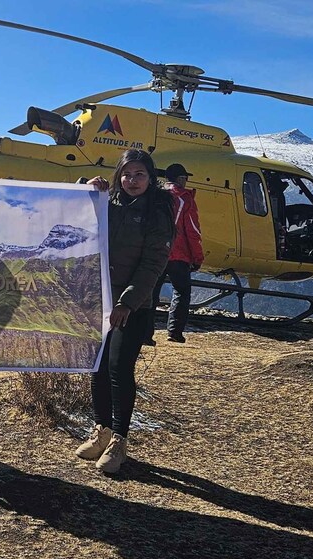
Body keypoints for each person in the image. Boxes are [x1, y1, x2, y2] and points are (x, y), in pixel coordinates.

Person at [75, 149, 174, 473]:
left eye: (140, 174)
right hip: (99, 299)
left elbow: (153, 264)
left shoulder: (158, 211)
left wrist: (127, 303)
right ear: (119, 175)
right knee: (98, 367)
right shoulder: (110, 202)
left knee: (118, 368)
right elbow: (72, 214)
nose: (132, 181)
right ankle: (101, 430)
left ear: (151, 177)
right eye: (127, 174)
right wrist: (85, 187)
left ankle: (119, 440)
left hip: (132, 307)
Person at [147, 163, 203, 344]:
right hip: (178, 254)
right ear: (180, 179)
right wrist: (197, 257)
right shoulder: (184, 199)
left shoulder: (155, 195)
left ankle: (145, 334)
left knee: (150, 292)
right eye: (185, 178)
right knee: (181, 291)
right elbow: (192, 230)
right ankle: (174, 332)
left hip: (155, 252)